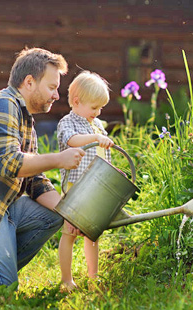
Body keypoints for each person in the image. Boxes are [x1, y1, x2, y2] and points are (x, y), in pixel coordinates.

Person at [0, 47, 85, 293]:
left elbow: (34, 181)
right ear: (29, 82)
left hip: (2, 205)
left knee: (54, 214)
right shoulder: (1, 104)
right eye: (52, 87)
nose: (56, 95)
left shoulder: (24, 119)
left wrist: (74, 214)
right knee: (2, 285)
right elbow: (9, 163)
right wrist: (59, 159)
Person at [57, 70, 114, 290]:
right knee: (69, 235)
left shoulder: (97, 124)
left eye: (101, 108)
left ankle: (93, 276)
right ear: (77, 101)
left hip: (95, 190)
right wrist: (96, 138)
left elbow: (102, 155)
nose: (98, 112)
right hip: (75, 190)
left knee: (92, 235)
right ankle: (66, 279)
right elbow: (72, 141)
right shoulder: (67, 122)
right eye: (94, 107)